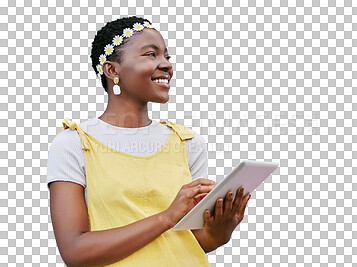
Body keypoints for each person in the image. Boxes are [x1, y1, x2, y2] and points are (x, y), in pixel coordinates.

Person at [46, 16, 251, 266]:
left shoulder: (187, 143)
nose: (166, 65)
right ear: (112, 70)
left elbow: (190, 240)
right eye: (151, 54)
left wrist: (220, 231)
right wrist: (165, 218)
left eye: (167, 56)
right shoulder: (75, 143)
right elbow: (75, 251)